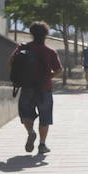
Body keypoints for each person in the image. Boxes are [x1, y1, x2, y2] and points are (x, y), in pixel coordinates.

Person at [9, 21, 63, 154]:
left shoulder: (22, 48)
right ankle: (42, 145)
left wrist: (21, 76)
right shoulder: (50, 51)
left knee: (26, 113)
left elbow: (11, 62)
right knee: (45, 117)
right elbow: (59, 69)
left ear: (31, 33)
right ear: (46, 34)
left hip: (27, 87)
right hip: (44, 88)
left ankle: (30, 132)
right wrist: (48, 76)